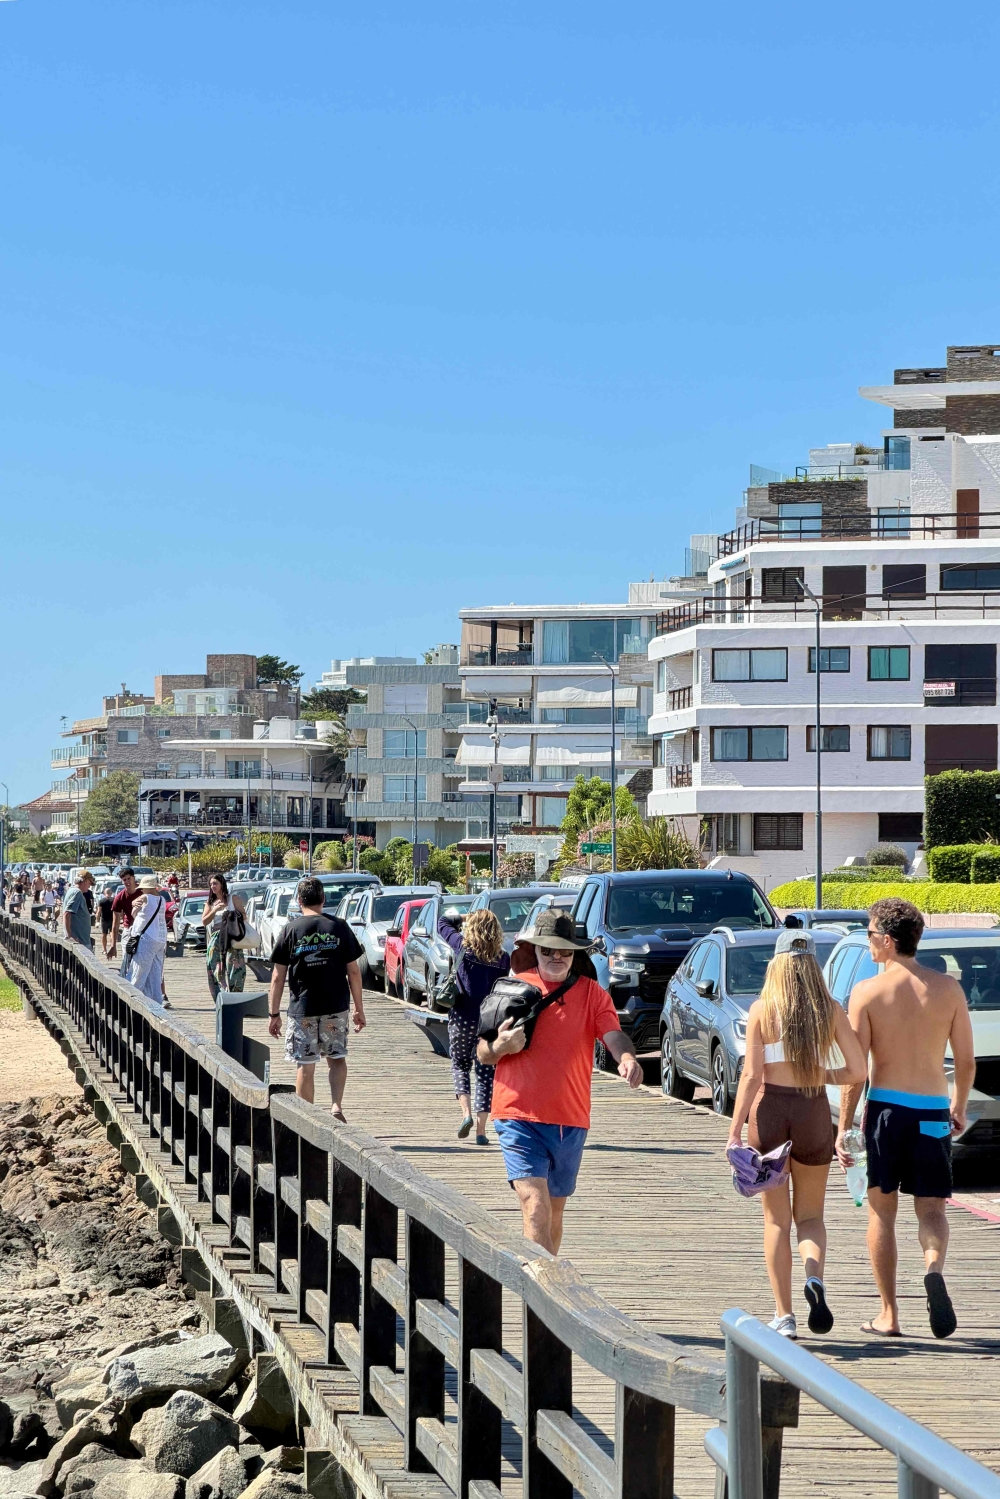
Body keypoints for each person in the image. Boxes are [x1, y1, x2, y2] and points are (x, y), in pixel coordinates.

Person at [837, 897, 975, 1339]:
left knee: (882, 1213)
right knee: (932, 1209)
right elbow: (967, 1063)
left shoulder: (868, 992)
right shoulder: (948, 989)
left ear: (890, 941)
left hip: (886, 1114)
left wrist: (844, 1125)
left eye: (872, 934)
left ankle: (889, 1314)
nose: (869, 942)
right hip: (933, 1108)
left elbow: (856, 1071)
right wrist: (958, 1108)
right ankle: (933, 1269)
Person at [476, 908, 642, 1254]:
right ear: (535, 949)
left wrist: (626, 1059)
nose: (556, 957)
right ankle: (537, 1298)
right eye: (547, 949)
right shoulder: (513, 990)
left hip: (569, 1120)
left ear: (575, 953)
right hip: (517, 1115)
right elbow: (482, 1053)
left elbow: (613, 1035)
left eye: (564, 950)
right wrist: (501, 1046)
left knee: (553, 1214)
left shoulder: (593, 994)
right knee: (534, 1205)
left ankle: (547, 1296)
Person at [727, 929, 867, 1338]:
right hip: (812, 1110)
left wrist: (735, 1131)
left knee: (776, 1221)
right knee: (810, 1217)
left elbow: (752, 1076)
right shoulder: (830, 1009)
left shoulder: (761, 1010)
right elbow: (859, 1071)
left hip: (769, 1111)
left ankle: (784, 1315)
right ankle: (815, 1279)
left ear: (777, 964)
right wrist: (822, 1074)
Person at [267, 876, 366, 1119]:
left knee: (305, 1065)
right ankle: (336, 1106)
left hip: (303, 1008)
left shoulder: (291, 930)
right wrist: (359, 1009)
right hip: (336, 1006)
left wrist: (274, 1013)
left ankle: (308, 1117)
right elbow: (354, 972)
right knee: (337, 1058)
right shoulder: (340, 927)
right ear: (323, 899)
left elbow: (278, 978)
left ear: (299, 900)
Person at [440, 907, 510, 1144]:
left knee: (460, 1065)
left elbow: (442, 923)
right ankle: (481, 1131)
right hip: (489, 1022)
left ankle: (466, 1114)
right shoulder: (503, 958)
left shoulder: (463, 947)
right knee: (485, 1073)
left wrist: (464, 917)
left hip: (462, 1016)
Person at [201, 872, 247, 999]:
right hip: (216, 939)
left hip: (232, 937)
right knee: (215, 969)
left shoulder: (233, 899)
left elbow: (244, 916)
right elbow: (204, 921)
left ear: (222, 884)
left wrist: (232, 915)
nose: (212, 886)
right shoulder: (209, 903)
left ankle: (235, 997)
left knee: (235, 968)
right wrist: (214, 910)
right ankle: (220, 998)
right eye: (210, 884)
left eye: (215, 883)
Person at [126, 875, 169, 1006]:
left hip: (147, 938)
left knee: (138, 972)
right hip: (160, 939)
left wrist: (134, 905)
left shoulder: (145, 897)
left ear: (147, 888)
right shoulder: (162, 899)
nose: (142, 890)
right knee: (155, 975)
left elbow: (133, 912)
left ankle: (130, 1001)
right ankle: (155, 1003)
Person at [109, 867, 139, 961]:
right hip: (128, 929)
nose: (127, 882)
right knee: (127, 959)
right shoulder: (120, 897)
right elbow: (115, 923)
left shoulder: (143, 891)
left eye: (129, 878)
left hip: (144, 930)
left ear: (133, 878)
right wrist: (113, 945)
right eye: (124, 880)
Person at [61, 871, 95, 950]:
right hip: (80, 943)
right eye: (90, 883)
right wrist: (70, 936)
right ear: (85, 881)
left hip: (81, 941)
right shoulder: (77, 893)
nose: (89, 886)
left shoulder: (71, 890)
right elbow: (67, 914)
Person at [97, 883, 116, 958]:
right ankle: (112, 948)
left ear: (105, 893)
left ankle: (104, 950)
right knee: (112, 934)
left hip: (104, 919)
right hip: (112, 919)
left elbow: (98, 911)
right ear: (111, 893)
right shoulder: (114, 900)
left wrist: (97, 920)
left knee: (104, 935)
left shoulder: (102, 900)